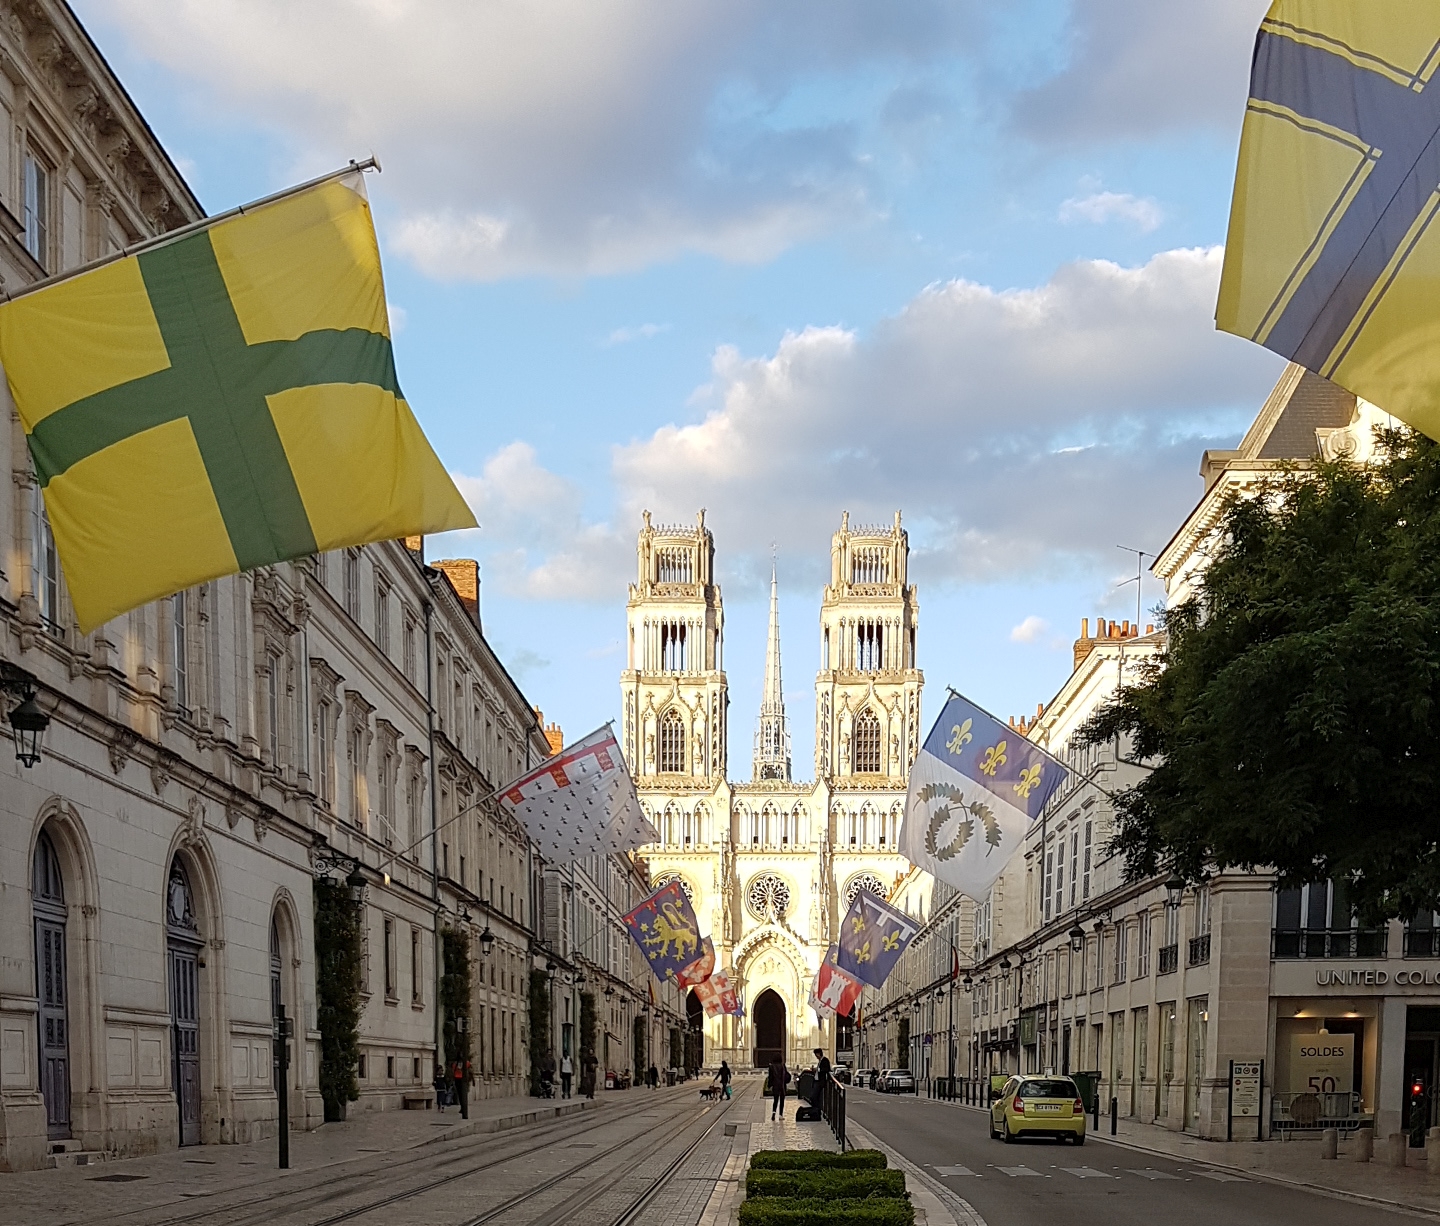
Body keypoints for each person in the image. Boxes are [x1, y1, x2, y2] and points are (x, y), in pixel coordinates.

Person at [767, 1055, 790, 1120]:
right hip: (782, 1085)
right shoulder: (783, 1066)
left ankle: (773, 1113)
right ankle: (780, 1115)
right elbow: (786, 1075)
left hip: (775, 1085)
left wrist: (769, 1085)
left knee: (775, 1100)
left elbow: (770, 1077)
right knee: (782, 1100)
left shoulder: (771, 1067)